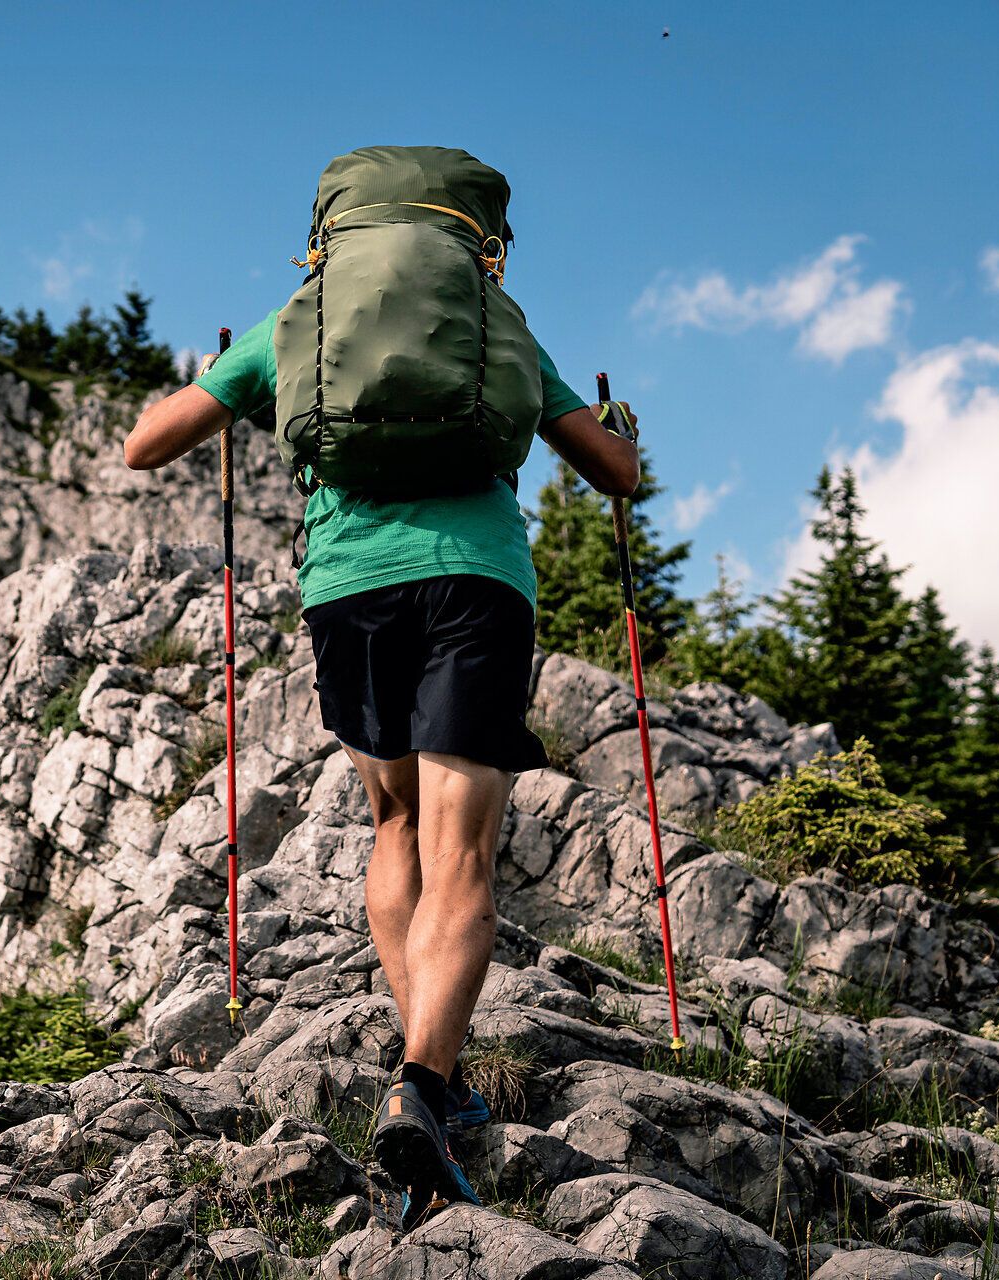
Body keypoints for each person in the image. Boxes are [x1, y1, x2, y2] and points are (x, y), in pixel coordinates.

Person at [122, 251, 639, 1221]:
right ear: (480, 248)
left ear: (328, 246)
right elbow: (614, 474)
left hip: (349, 589)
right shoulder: (498, 329)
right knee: (465, 848)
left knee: (395, 823)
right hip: (475, 581)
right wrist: (619, 428)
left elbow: (144, 447)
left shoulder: (297, 323)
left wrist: (219, 384)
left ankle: (425, 1073)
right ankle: (423, 1080)